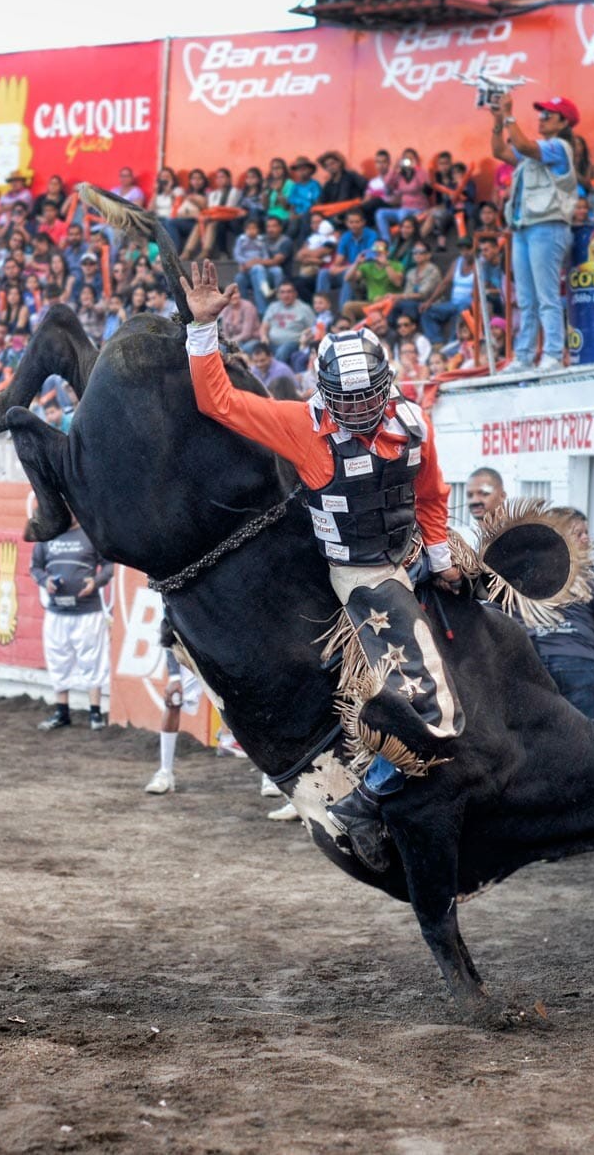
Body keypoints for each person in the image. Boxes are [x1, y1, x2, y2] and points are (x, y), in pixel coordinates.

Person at [182, 260, 466, 873]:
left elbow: (431, 497)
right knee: (433, 707)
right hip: (361, 572)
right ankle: (365, 802)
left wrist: (441, 558)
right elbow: (220, 402)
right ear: (326, 394)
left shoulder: (415, 425)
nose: (360, 410)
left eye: (369, 397)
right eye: (348, 399)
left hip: (411, 553)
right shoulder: (302, 427)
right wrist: (201, 330)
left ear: (387, 387)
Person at [491, 92, 579, 372]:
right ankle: (525, 355)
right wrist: (497, 121)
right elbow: (500, 152)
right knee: (526, 299)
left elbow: (522, 146)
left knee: (546, 295)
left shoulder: (559, 147)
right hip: (524, 229)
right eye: (540, 114)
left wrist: (508, 116)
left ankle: (553, 353)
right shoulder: (536, 150)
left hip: (548, 227)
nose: (541, 119)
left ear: (564, 122)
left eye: (547, 115)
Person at [30, 518, 113, 732]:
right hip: (57, 612)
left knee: (92, 660)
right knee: (58, 659)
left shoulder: (91, 533)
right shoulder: (47, 535)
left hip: (87, 611)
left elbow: (109, 565)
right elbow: (35, 568)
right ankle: (62, 711)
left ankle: (95, 712)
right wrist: (45, 581)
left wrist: (96, 582)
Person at [529, 508, 594, 718]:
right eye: (578, 533)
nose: (586, 539)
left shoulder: (529, 571)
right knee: (584, 736)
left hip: (538, 660)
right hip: (577, 661)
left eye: (586, 533)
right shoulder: (581, 570)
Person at [145, 637, 203, 795]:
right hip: (191, 649)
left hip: (223, 646)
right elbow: (170, 627)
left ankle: (269, 776)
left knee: (250, 702)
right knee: (174, 698)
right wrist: (174, 677)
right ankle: (165, 773)